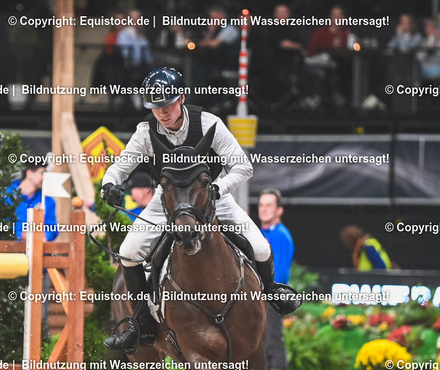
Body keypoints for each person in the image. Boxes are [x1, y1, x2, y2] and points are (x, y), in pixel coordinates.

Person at [100, 67, 299, 352]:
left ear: (181, 98)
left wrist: (217, 188)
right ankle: (140, 323)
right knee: (129, 252)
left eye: (167, 104)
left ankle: (271, 292)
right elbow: (119, 168)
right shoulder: (145, 132)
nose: (162, 112)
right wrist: (109, 184)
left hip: (212, 196)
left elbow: (243, 166)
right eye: (155, 106)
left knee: (260, 247)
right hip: (167, 201)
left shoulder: (209, 124)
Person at [258, 189, 294, 370]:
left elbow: (278, 272)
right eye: (261, 205)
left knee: (273, 340)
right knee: (263, 341)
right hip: (262, 295)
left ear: (279, 210)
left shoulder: (280, 235)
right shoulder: (263, 233)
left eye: (269, 205)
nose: (264, 209)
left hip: (273, 296)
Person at [7, 161, 58, 242]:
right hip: (9, 247)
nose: (44, 178)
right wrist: (20, 235)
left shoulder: (48, 200)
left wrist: (44, 236)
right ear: (29, 173)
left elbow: (53, 229)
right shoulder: (7, 195)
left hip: (37, 248)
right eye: (42, 173)